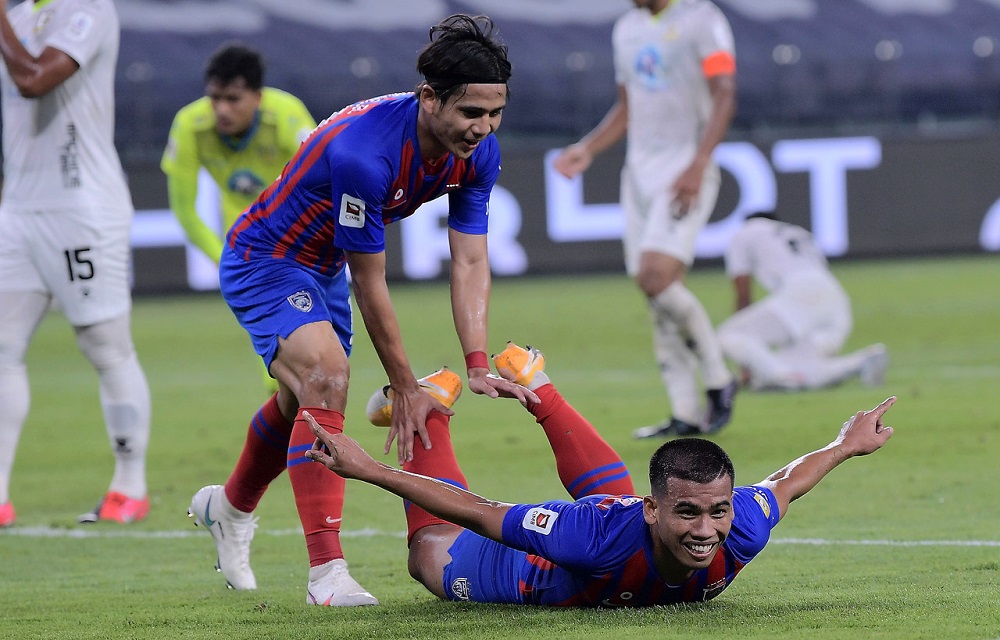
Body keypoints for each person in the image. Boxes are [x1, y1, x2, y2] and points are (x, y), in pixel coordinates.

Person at [186, 14, 536, 606]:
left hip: (322, 267)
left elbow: (471, 259)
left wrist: (476, 362)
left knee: (301, 401)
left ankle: (230, 506)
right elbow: (370, 281)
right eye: (471, 112)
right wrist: (405, 386)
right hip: (267, 258)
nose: (483, 128)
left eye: (495, 113)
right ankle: (327, 575)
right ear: (429, 98)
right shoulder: (365, 153)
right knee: (327, 376)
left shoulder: (477, 153)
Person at [304, 342, 896, 607]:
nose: (706, 530)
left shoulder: (742, 526)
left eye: (717, 511)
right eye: (689, 512)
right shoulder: (585, 537)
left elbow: (787, 482)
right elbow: (481, 513)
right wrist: (371, 470)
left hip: (620, 531)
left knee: (623, 513)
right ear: (655, 509)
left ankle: (539, 387)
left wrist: (844, 445)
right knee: (429, 551)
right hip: (530, 573)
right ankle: (430, 409)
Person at [552, 0, 738, 440]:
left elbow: (725, 92)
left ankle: (718, 377)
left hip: (685, 168)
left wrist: (699, 163)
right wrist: (588, 148)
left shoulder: (702, 19)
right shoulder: (626, 28)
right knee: (656, 292)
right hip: (637, 175)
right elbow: (628, 106)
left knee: (655, 277)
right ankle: (685, 412)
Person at [0, 0, 151, 527]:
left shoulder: (87, 8)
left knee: (104, 345)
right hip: (18, 208)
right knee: (2, 348)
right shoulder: (19, 16)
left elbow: (34, 79)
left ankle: (129, 487)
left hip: (81, 209)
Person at [161, 43, 318, 393]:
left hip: (300, 233)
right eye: (214, 98)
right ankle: (290, 420)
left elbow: (323, 182)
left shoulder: (288, 116)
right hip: (246, 240)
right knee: (277, 357)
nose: (221, 109)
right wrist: (227, 261)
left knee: (318, 355)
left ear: (258, 97)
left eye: (233, 99)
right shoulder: (189, 125)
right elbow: (185, 210)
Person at [717, 212, 889, 391]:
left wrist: (746, 364)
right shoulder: (798, 233)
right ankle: (860, 361)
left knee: (729, 335)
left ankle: (781, 377)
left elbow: (743, 296)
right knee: (794, 366)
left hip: (801, 294)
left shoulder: (746, 231)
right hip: (836, 298)